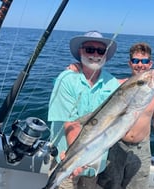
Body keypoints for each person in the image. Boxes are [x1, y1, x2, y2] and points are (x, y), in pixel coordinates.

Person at [68, 42, 154, 189]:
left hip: (141, 148)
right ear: (130, 63)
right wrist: (77, 67)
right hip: (115, 145)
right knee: (109, 185)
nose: (140, 65)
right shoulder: (117, 85)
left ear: (150, 63)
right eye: (135, 61)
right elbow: (96, 78)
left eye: (145, 61)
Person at [48, 30, 120, 189]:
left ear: (105, 54)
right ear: (80, 51)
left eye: (101, 50)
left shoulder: (112, 83)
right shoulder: (66, 79)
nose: (95, 54)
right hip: (66, 161)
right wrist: (75, 161)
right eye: (89, 49)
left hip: (95, 165)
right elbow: (70, 124)